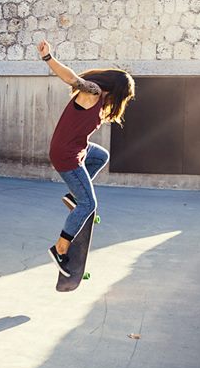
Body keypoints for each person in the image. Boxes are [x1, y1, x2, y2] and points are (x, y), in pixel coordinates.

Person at [37, 39, 135, 276]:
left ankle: (74, 195)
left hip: (77, 149)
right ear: (117, 90)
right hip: (66, 155)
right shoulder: (93, 91)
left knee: (101, 155)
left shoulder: (101, 100)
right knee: (89, 204)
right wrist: (48, 58)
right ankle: (59, 248)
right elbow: (71, 79)